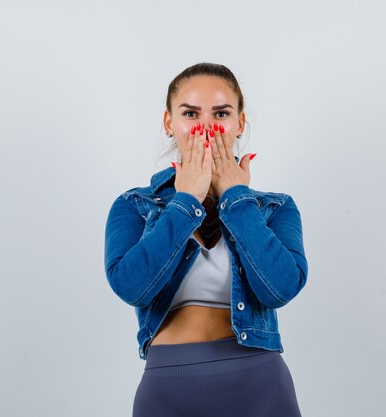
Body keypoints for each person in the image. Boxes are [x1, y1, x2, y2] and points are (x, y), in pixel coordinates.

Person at [104, 62, 308, 416]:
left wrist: (236, 198)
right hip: (168, 385)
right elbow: (132, 288)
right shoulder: (134, 205)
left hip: (260, 381)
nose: (206, 128)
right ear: (170, 123)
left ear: (240, 123)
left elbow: (280, 289)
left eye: (221, 113)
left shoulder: (274, 207)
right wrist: (184, 202)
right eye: (190, 113)